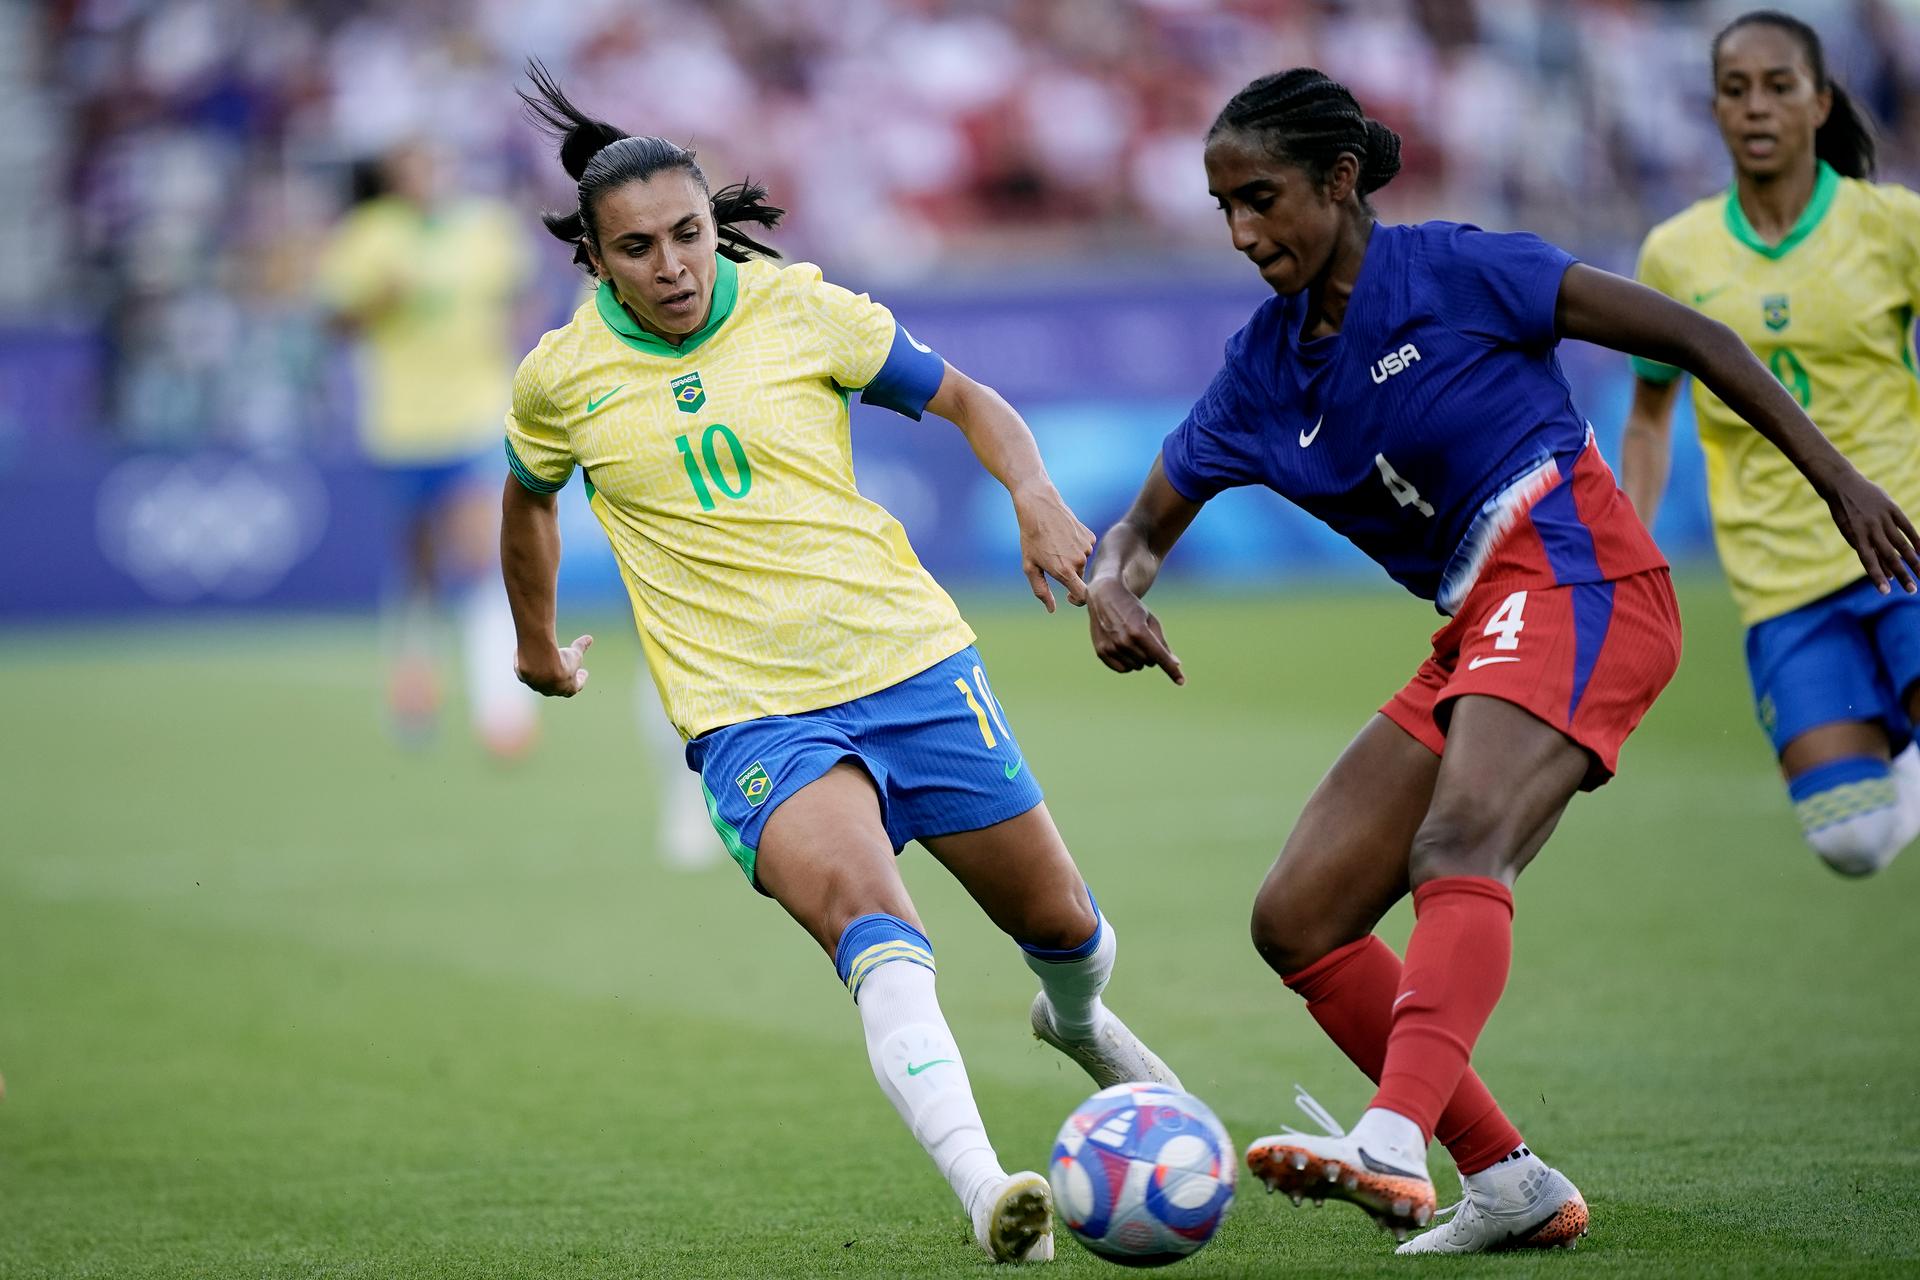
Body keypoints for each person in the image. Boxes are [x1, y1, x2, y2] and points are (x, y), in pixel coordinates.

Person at [1084, 67, 1920, 1254]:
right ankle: (1509, 1181)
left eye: (1261, 198)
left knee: (1459, 843)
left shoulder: (1461, 270)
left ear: (1337, 179)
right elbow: (1145, 525)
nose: (1241, 231)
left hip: (1584, 576)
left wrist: (1840, 481)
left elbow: (1693, 334)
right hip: (1483, 617)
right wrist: (1114, 582)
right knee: (1300, 915)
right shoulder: (1262, 369)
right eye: (1223, 207)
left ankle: (1390, 1137)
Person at [500, 66, 1178, 1264]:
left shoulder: (802, 308)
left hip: (910, 659)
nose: (673, 266)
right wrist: (535, 644)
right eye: (640, 247)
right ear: (596, 260)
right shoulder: (562, 377)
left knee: (1065, 925)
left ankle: (1073, 1018)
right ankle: (988, 1189)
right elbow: (529, 501)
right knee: (874, 922)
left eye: (691, 234)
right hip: (750, 712)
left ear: (720, 223)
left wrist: (1031, 494)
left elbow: (970, 398)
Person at [1623, 10, 1920, 878]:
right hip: (1781, 582)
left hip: (1904, 542)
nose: (1757, 107)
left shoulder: (1892, 225)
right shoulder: (1675, 255)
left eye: (1779, 87)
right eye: (1735, 89)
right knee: (1852, 842)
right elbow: (1648, 414)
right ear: (1713, 109)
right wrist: (1634, 542)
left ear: (1820, 103)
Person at [317, 141, 540, 758]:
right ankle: (413, 677)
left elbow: (520, 298)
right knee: (417, 563)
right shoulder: (369, 237)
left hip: (473, 416)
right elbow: (333, 321)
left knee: (478, 554)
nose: (426, 177)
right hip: (399, 425)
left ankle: (503, 709)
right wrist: (379, 301)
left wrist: (516, 340)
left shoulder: (486, 228)